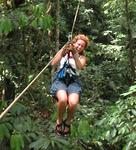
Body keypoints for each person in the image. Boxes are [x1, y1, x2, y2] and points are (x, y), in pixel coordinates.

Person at [50, 34, 89, 136]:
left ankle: (67, 122)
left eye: (82, 46)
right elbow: (53, 63)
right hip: (60, 79)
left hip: (73, 81)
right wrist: (63, 52)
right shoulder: (64, 50)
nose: (79, 47)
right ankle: (59, 121)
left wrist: (74, 53)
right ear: (74, 43)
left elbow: (79, 66)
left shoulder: (82, 57)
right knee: (62, 100)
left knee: (73, 103)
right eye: (78, 44)